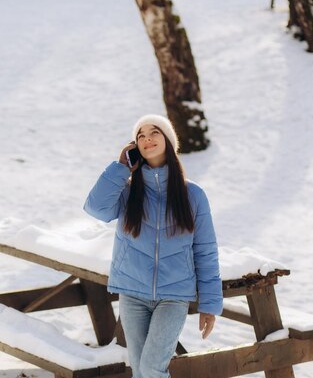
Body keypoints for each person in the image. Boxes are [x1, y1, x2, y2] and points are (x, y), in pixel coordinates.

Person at [83, 114, 223, 378]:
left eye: (154, 132)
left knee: (151, 368)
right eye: (140, 135)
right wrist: (120, 167)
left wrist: (209, 304)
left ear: (169, 141)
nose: (147, 138)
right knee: (139, 369)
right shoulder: (126, 191)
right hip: (132, 292)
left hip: (174, 296)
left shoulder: (192, 195)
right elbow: (96, 208)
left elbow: (205, 250)